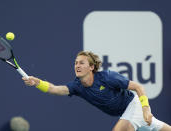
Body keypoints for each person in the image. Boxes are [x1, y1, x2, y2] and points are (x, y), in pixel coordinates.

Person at [22, 51, 171, 131]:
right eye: (75, 63)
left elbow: (139, 87)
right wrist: (37, 83)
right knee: (157, 127)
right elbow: (55, 89)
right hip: (125, 112)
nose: (77, 65)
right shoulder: (77, 86)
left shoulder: (107, 77)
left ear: (91, 67)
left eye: (81, 63)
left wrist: (146, 109)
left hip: (134, 104)